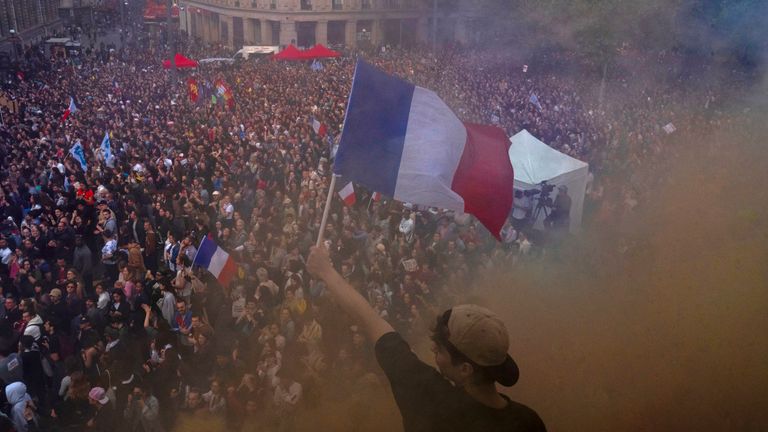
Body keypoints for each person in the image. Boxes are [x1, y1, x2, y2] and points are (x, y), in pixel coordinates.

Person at [307, 246, 545, 431]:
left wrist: (326, 271)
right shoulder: (528, 422)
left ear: (465, 369)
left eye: (440, 350)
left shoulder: (428, 398)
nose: (433, 351)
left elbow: (372, 321)